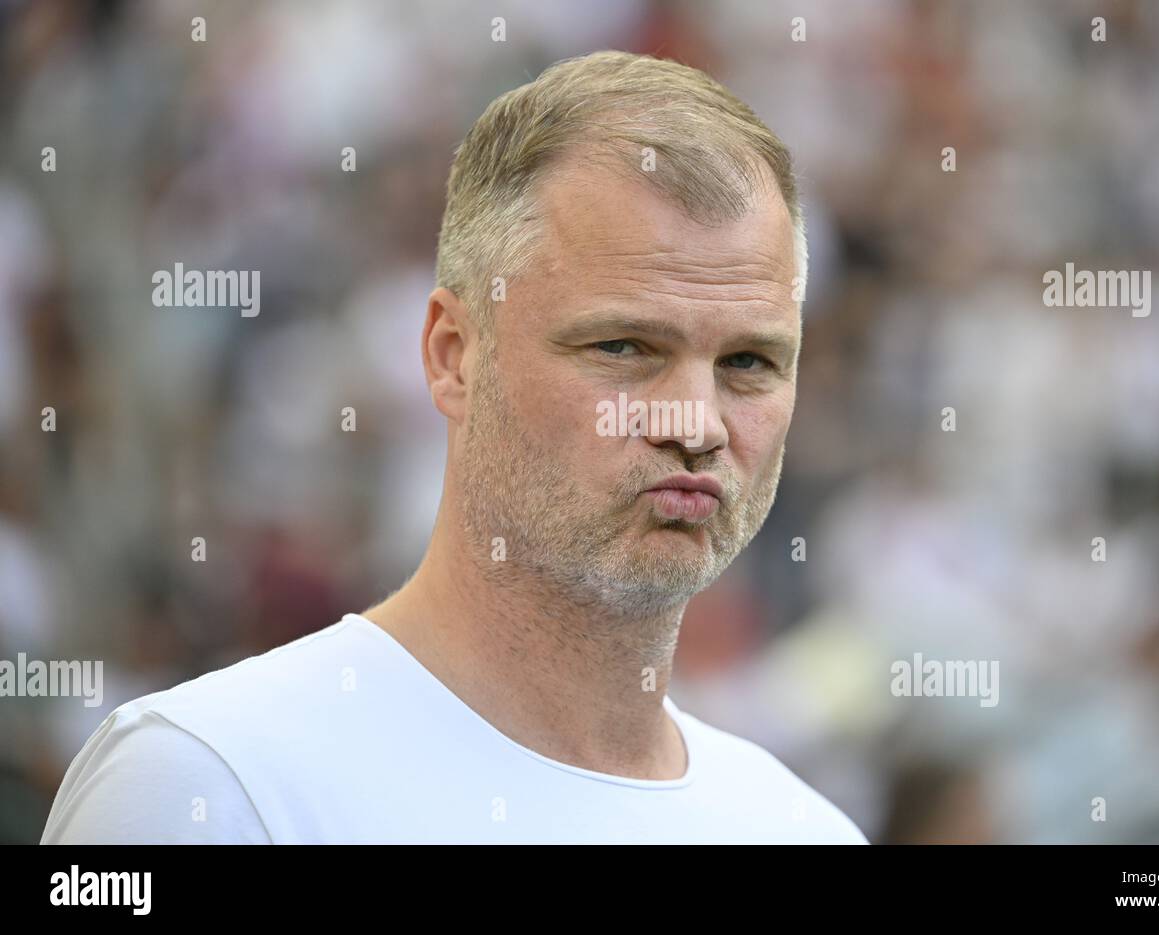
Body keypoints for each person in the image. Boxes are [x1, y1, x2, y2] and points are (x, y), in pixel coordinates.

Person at [42, 50, 867, 844]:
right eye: (623, 347)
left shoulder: (805, 830)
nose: (697, 422)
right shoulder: (205, 786)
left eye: (749, 362)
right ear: (453, 355)